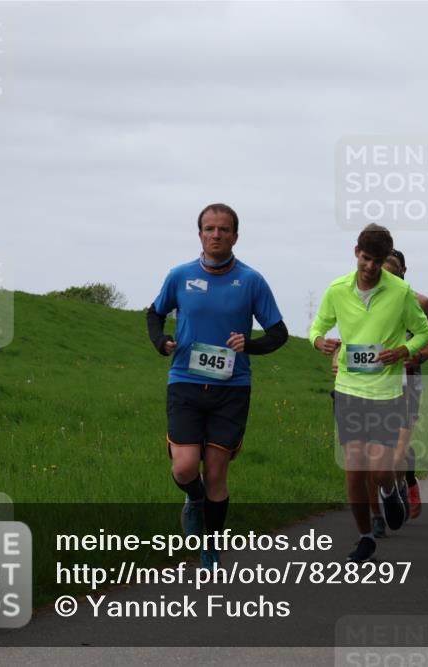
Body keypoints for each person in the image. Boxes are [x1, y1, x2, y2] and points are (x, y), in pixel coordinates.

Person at [146, 203, 288, 569]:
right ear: (199, 235)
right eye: (209, 228)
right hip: (185, 382)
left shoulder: (252, 280)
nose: (216, 235)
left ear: (235, 236)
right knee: (184, 469)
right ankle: (194, 499)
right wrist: (161, 341)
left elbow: (279, 333)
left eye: (224, 229)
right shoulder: (180, 276)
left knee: (216, 472)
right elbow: (155, 312)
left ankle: (211, 546)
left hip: (232, 387)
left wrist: (249, 345)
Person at [310, 224, 428, 562]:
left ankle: (391, 490)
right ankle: (365, 536)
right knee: (354, 470)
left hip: (386, 391)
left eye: (377, 261)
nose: (370, 267)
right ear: (356, 252)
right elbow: (318, 327)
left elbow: (423, 334)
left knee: (379, 471)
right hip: (349, 388)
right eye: (365, 259)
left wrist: (403, 351)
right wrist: (321, 341)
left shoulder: (401, 292)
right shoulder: (337, 290)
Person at [384, 250, 428, 521]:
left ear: (403, 271)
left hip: (408, 379)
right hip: (374, 380)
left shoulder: (420, 301)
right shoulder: (364, 300)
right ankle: (396, 489)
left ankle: (399, 489)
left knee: (397, 449)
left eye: (392, 270)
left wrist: (418, 356)